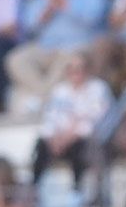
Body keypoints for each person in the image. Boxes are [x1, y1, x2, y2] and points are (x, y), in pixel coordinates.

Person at [30, 52, 110, 190]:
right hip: (61, 138)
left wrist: (69, 137)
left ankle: (77, 190)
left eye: (79, 69)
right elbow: (51, 118)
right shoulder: (60, 91)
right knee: (40, 145)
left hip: (83, 140)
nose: (75, 73)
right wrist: (54, 139)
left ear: (87, 70)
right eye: (71, 69)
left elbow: (96, 120)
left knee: (81, 148)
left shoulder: (98, 89)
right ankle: (34, 187)